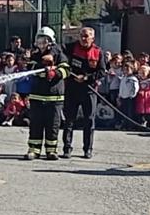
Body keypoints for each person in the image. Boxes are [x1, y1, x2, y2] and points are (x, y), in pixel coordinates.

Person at [61, 27, 108, 159]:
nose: (83, 38)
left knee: (89, 121)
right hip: (72, 89)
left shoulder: (98, 52)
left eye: (86, 36)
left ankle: (88, 149)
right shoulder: (70, 47)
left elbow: (102, 72)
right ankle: (67, 148)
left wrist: (86, 78)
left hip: (89, 90)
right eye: (81, 36)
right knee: (69, 120)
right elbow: (58, 51)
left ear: (92, 38)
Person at [24, 26, 69, 161]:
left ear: (51, 41)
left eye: (44, 41)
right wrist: (43, 68)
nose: (41, 44)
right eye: (39, 41)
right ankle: (33, 150)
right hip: (37, 96)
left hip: (54, 97)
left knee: (53, 125)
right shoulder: (35, 55)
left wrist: (55, 73)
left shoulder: (59, 54)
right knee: (36, 124)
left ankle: (51, 150)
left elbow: (66, 71)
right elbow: (31, 67)